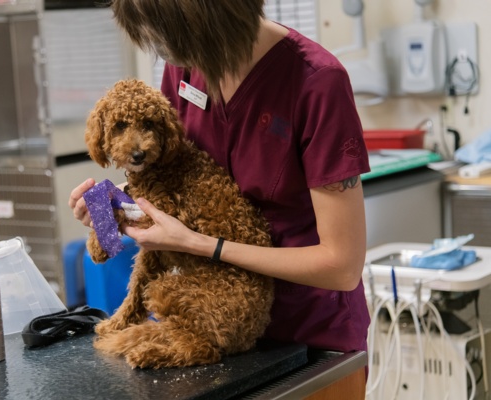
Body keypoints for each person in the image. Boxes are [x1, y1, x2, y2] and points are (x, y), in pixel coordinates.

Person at [70, 0, 370, 374]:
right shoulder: (185, 66)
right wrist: (113, 202)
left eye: (166, 35)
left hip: (309, 337)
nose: (162, 49)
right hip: (206, 326)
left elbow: (341, 266)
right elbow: (170, 172)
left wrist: (197, 244)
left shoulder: (317, 83)